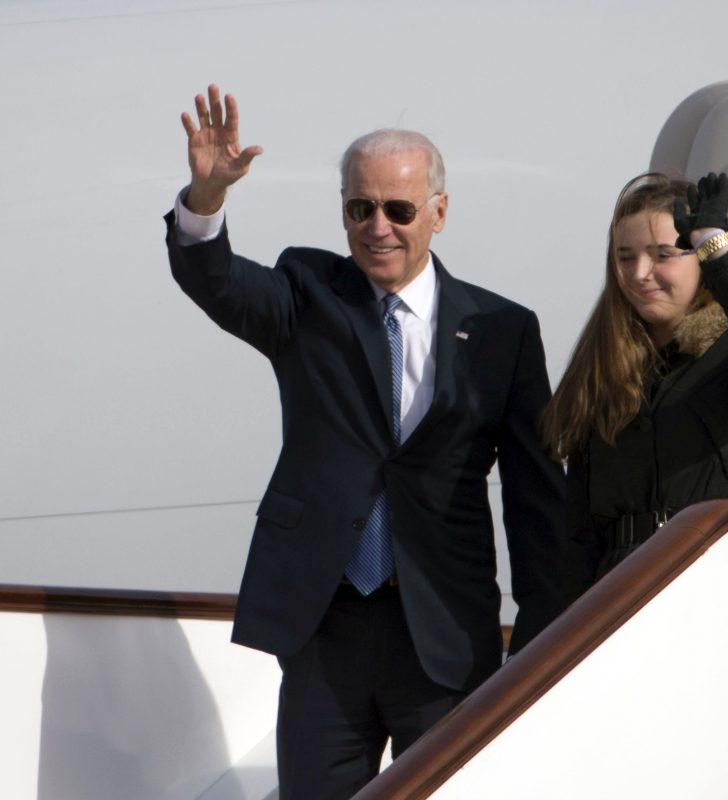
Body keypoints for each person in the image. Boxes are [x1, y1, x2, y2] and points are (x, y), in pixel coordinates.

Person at [165, 85, 564, 799]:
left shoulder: (504, 330)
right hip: (325, 628)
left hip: (444, 634)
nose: (378, 227)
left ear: (439, 213)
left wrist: (539, 640)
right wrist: (205, 197)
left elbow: (536, 501)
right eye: (360, 208)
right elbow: (214, 277)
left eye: (399, 210)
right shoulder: (308, 294)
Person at [543, 173, 728, 600]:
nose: (640, 274)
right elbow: (579, 533)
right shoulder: (603, 368)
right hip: (621, 592)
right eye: (625, 257)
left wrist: (715, 242)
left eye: (662, 255)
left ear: (701, 261)